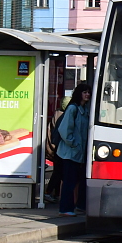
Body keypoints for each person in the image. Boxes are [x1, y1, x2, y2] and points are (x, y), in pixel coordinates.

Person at [56, 83, 90, 216]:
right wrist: (74, 144)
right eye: (84, 92)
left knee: (79, 180)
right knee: (69, 182)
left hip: (78, 153)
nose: (87, 94)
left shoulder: (84, 110)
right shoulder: (73, 109)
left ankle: (79, 206)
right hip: (69, 153)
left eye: (88, 92)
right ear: (79, 93)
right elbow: (64, 130)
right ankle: (65, 209)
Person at [43, 95, 72, 203]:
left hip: (56, 147)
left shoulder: (57, 114)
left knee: (58, 171)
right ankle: (49, 192)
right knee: (59, 172)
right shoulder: (64, 116)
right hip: (60, 148)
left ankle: (55, 194)